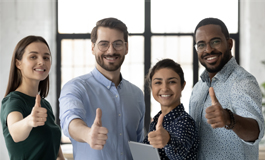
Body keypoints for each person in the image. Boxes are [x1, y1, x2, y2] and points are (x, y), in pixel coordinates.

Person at [59, 17, 145, 160]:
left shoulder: (136, 94)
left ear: (126, 48)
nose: (111, 51)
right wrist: (87, 134)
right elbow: (70, 121)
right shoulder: (75, 88)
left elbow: (138, 143)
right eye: (103, 44)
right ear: (93, 48)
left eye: (117, 44)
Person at [189, 17, 265, 160]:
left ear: (229, 43)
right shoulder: (198, 88)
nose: (208, 50)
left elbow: (255, 133)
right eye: (201, 45)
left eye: (215, 42)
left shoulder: (243, 82)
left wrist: (229, 119)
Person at [0, 35, 64, 160]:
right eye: (33, 57)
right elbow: (15, 133)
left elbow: (56, 152)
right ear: (18, 63)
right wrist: (29, 121)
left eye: (46, 57)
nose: (41, 62)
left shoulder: (45, 105)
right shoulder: (13, 101)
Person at [143, 59, 199, 160]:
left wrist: (168, 140)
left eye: (172, 82)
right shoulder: (156, 121)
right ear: (151, 86)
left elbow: (180, 154)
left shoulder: (185, 121)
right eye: (158, 82)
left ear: (182, 86)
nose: (164, 88)